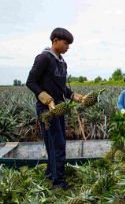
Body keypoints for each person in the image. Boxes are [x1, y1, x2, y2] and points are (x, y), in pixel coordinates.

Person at [25, 27, 87, 190]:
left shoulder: (62, 62)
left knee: (56, 143)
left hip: (59, 108)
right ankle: (58, 183)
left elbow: (63, 88)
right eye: (66, 43)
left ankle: (51, 173)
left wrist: (75, 96)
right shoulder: (43, 58)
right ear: (55, 41)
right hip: (47, 109)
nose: (68, 47)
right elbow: (31, 81)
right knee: (57, 144)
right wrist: (45, 97)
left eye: (69, 44)